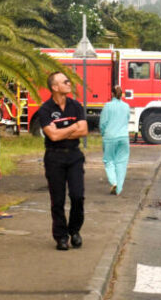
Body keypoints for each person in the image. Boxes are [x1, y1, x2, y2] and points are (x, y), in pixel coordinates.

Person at [35, 71, 89, 251]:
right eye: (65, 82)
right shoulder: (45, 110)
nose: (69, 83)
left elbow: (84, 131)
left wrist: (63, 130)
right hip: (54, 156)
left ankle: (74, 231)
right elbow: (53, 136)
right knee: (57, 199)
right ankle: (61, 237)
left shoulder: (76, 106)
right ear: (55, 87)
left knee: (77, 195)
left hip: (74, 155)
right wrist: (74, 126)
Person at [100, 86, 130, 196]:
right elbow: (127, 120)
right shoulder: (126, 106)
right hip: (123, 137)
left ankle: (114, 182)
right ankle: (119, 189)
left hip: (110, 137)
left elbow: (103, 123)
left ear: (112, 94)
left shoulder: (107, 106)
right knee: (121, 162)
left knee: (109, 160)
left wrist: (103, 134)